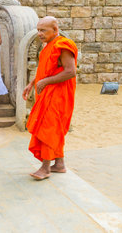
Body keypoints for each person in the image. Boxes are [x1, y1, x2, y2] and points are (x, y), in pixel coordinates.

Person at [22, 16, 78, 180]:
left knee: (48, 128)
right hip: (48, 91)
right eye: (38, 30)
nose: (39, 33)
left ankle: (45, 168)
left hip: (58, 94)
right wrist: (32, 83)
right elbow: (46, 69)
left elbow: (70, 71)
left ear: (55, 30)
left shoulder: (63, 45)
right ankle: (59, 164)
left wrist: (45, 81)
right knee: (54, 127)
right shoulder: (48, 46)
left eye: (43, 30)